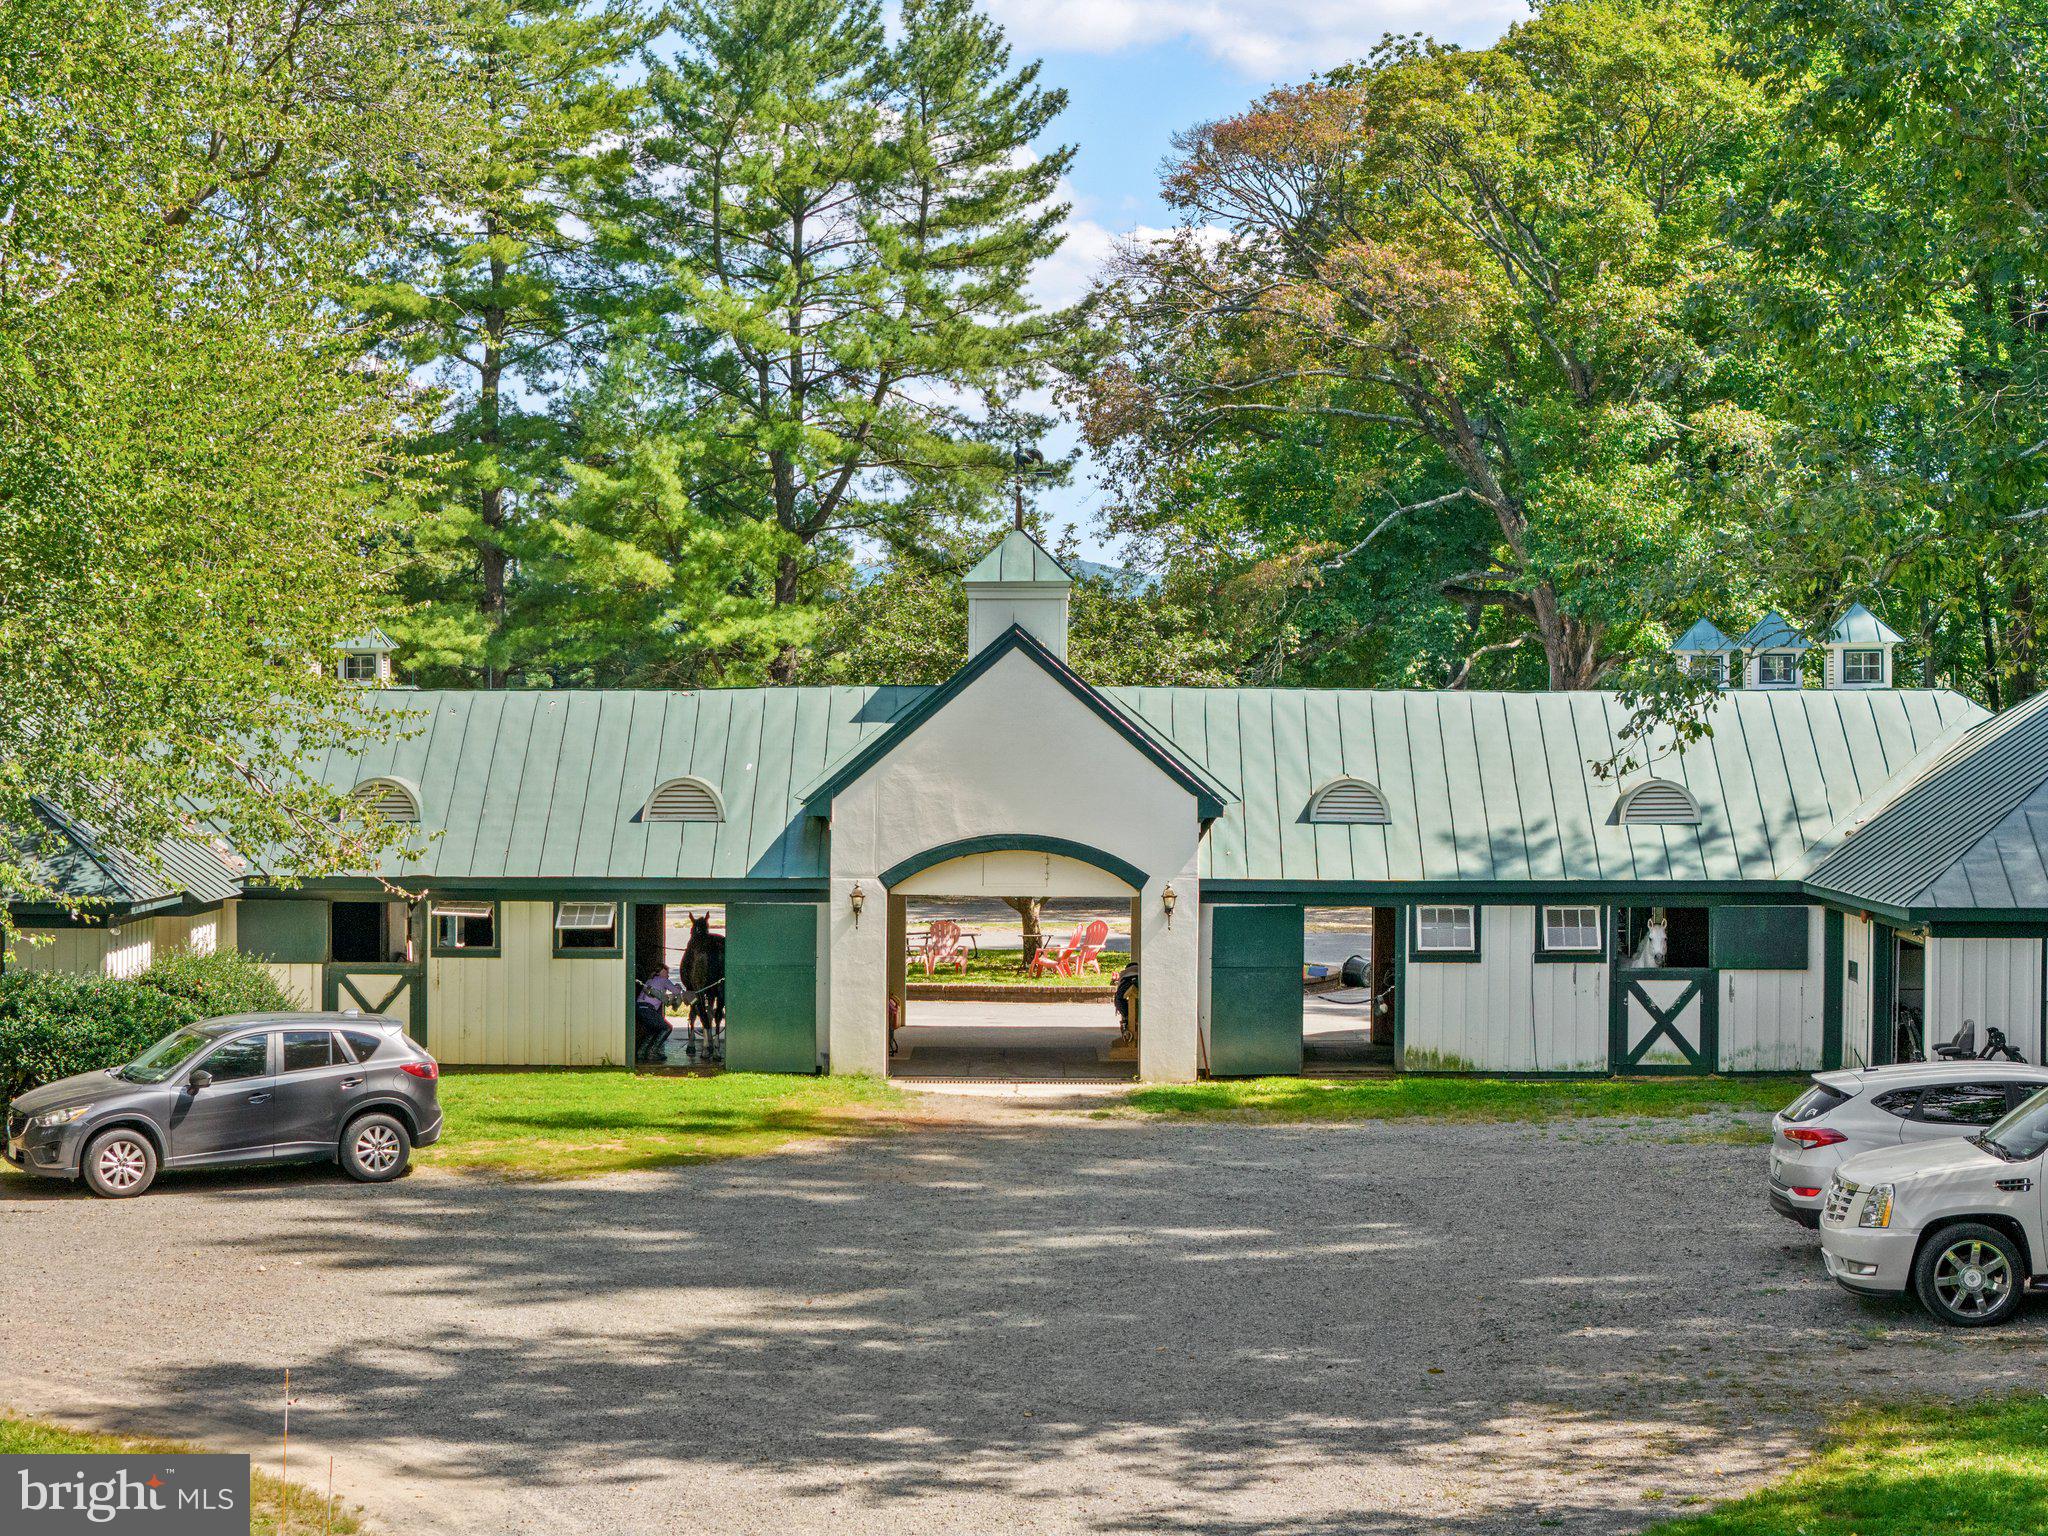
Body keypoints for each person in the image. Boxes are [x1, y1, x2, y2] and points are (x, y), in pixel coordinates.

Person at [636, 971, 685, 1062]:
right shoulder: (663, 980)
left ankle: (641, 1052)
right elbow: (676, 991)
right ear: (660, 972)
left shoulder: (649, 980)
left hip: (639, 1008)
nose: (668, 975)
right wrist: (679, 987)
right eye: (666, 972)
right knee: (667, 1028)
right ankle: (652, 1052)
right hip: (648, 1008)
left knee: (653, 1029)